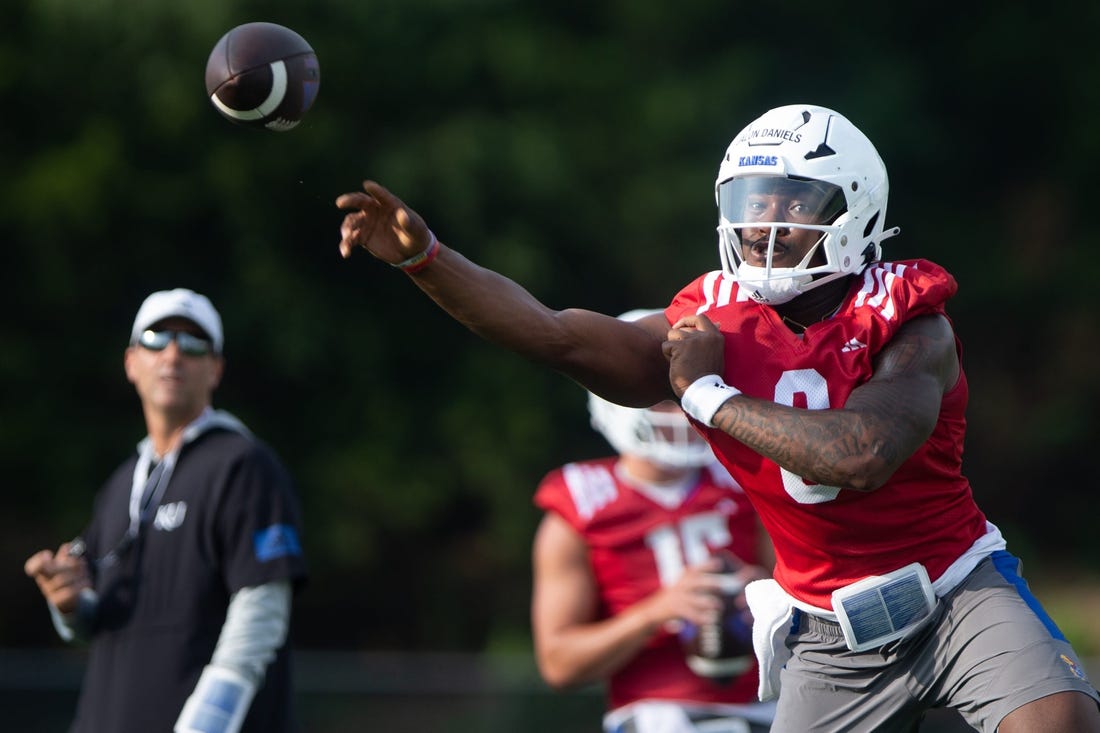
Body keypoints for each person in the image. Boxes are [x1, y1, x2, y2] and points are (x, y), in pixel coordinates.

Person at [334, 103, 1100, 732]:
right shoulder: (714, 322)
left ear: (853, 207)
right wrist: (427, 259)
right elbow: (554, 332)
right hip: (826, 633)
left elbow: (861, 453)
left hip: (954, 588)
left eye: (794, 202)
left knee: (1056, 718)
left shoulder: (909, 322)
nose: (768, 223)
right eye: (753, 202)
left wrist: (705, 395)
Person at [24, 288, 308, 733]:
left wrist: (209, 722)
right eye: (157, 338)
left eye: (194, 344)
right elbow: (99, 624)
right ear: (131, 363)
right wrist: (69, 607)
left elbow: (263, 605)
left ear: (216, 370)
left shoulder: (243, 465)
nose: (174, 354)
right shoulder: (121, 485)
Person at [532, 322, 776, 733]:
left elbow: (814, 589)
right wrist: (657, 612)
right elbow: (559, 663)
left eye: (682, 391)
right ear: (614, 396)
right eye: (659, 395)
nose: (678, 407)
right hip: (655, 712)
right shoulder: (580, 501)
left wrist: (770, 597)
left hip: (770, 702)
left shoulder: (747, 476)